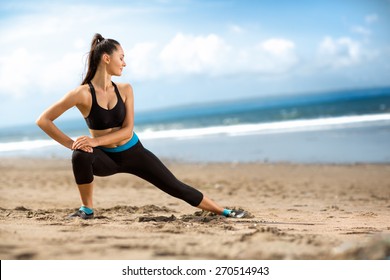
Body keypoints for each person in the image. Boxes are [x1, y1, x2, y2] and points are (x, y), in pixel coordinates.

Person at [36, 33, 245, 220]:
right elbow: (44, 120)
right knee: (80, 154)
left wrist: (94, 141)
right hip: (105, 159)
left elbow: (127, 130)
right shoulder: (81, 93)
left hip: (133, 152)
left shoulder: (125, 89)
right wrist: (73, 144)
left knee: (175, 186)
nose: (124, 63)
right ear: (106, 58)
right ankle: (87, 209)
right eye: (122, 57)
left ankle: (224, 211)